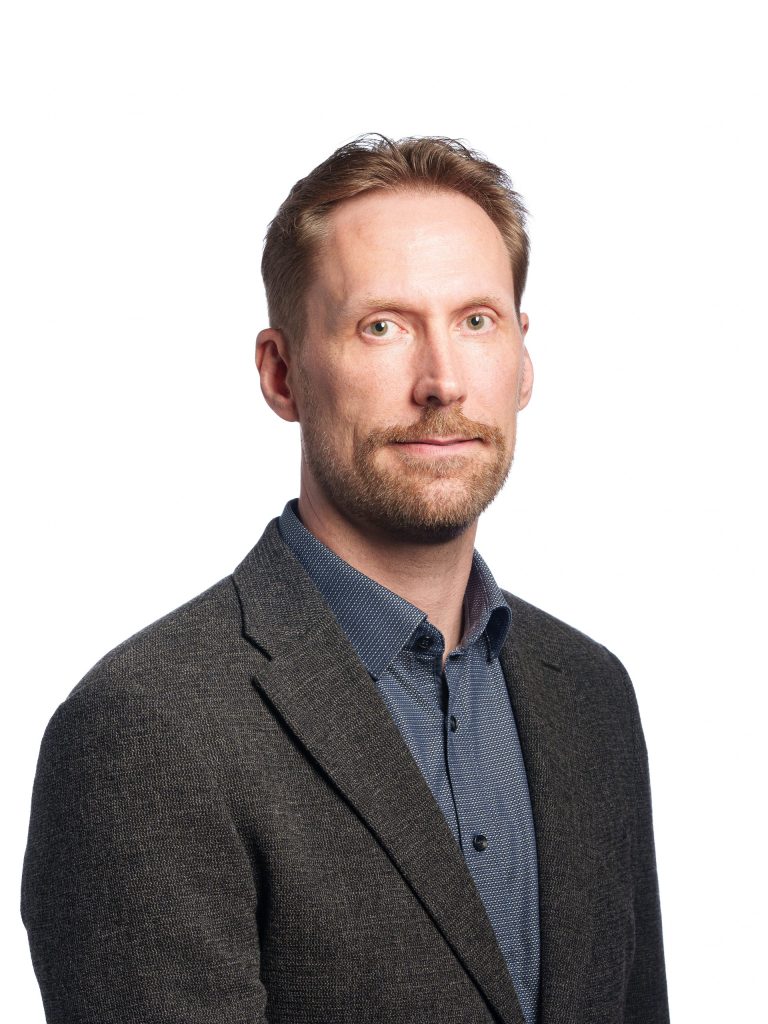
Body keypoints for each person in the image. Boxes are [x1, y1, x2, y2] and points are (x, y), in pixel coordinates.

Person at [21, 135, 669, 1024]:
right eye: (383, 326)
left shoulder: (590, 695)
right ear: (281, 373)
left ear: (524, 359)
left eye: (477, 321)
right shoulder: (148, 731)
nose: (442, 382)